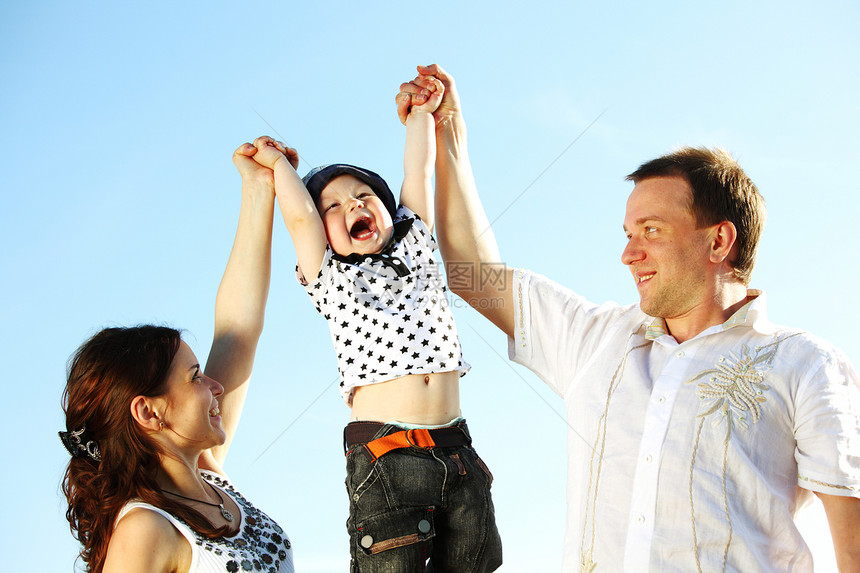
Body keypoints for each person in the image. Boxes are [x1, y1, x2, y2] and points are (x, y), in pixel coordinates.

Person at [398, 65, 860, 572]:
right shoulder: (596, 338)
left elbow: (854, 545)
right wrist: (449, 133)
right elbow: (472, 274)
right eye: (627, 233)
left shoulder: (806, 364)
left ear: (719, 241)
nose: (629, 254)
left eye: (651, 230)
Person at [248, 70, 502, 572]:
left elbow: (419, 173)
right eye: (335, 206)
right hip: (388, 460)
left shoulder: (417, 243)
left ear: (388, 210)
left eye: (364, 196)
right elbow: (299, 218)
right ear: (324, 233)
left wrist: (421, 114)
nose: (355, 206)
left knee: (478, 561)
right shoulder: (331, 278)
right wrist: (280, 167)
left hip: (457, 449)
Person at [59, 142, 295, 573]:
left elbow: (237, 332)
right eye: (194, 377)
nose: (216, 385)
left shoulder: (209, 477)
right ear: (148, 412)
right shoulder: (146, 529)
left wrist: (260, 190)